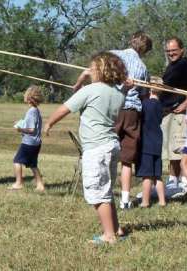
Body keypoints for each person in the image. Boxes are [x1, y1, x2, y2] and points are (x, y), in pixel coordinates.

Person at [45, 52, 127, 244]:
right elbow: (80, 97)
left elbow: (66, 107)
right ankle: (116, 229)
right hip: (111, 146)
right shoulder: (118, 93)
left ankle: (109, 236)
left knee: (97, 192)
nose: (89, 71)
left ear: (99, 69)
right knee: (105, 190)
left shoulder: (90, 90)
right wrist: (83, 78)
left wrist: (49, 123)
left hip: (96, 148)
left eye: (92, 68)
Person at [73, 31, 152, 209]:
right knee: (126, 158)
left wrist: (81, 82)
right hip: (131, 111)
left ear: (132, 40)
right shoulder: (143, 67)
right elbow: (144, 95)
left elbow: (94, 69)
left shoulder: (113, 54)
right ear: (146, 50)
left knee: (103, 149)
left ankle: (101, 192)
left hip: (111, 107)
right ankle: (124, 200)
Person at [158, 37, 187, 188]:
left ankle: (184, 180)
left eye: (174, 50)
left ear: (182, 50)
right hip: (167, 112)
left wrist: (185, 103)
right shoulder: (170, 67)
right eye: (168, 51)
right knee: (169, 148)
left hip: (180, 113)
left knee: (179, 147)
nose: (171, 54)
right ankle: (172, 180)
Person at [9, 85, 45, 192]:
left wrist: (20, 129)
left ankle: (19, 183)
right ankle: (40, 185)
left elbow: (31, 129)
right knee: (33, 164)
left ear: (29, 98)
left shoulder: (31, 112)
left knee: (17, 161)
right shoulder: (36, 110)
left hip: (28, 143)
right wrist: (21, 123)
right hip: (36, 143)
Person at [136, 88, 166, 207]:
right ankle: (162, 201)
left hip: (147, 143)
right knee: (157, 174)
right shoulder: (160, 105)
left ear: (151, 89)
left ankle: (145, 201)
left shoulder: (145, 104)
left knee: (147, 175)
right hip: (157, 141)